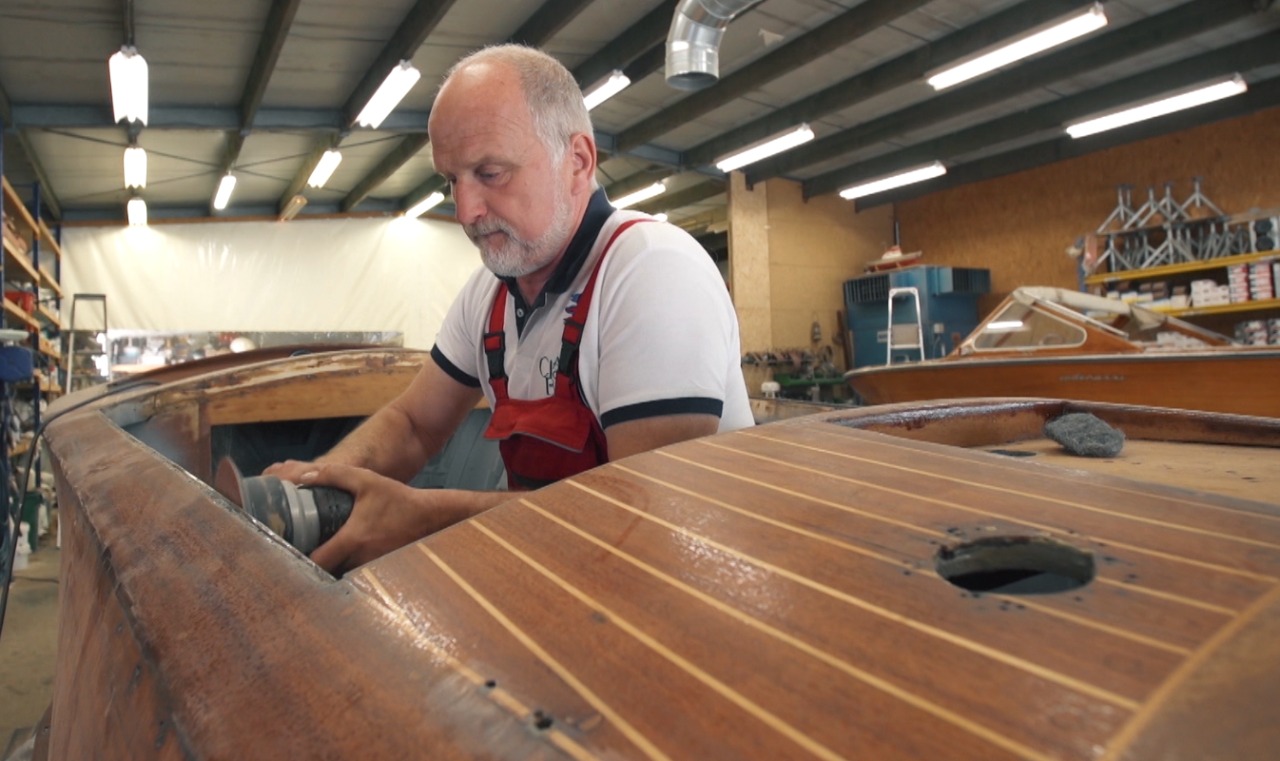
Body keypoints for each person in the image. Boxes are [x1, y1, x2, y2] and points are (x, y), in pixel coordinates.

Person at [265, 44, 752, 574]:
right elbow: (413, 425)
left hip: (689, 595)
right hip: (556, 574)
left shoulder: (651, 269)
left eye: (490, 173)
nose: (466, 211)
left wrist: (424, 519)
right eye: (452, 181)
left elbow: (648, 514)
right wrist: (312, 487)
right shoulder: (491, 294)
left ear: (578, 162)